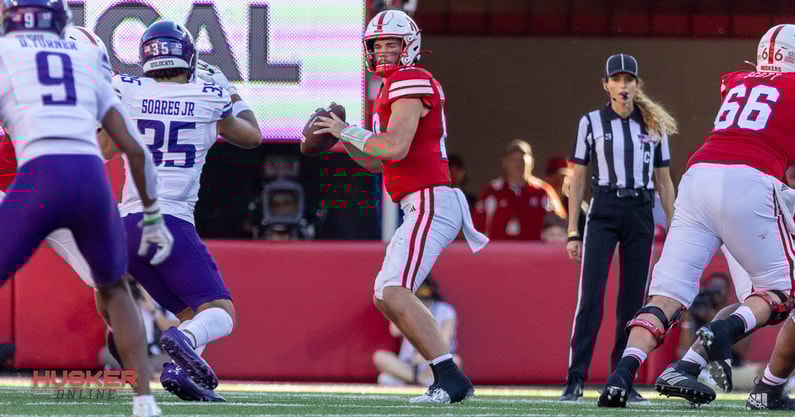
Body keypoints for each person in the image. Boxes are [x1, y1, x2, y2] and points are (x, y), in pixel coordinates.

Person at [599, 26, 795, 408]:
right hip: (749, 182)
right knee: (783, 292)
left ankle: (621, 378)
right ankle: (719, 337)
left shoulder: (737, 81)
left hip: (697, 176)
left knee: (668, 293)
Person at [0, 1, 174, 416]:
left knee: (112, 286)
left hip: (34, 180)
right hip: (84, 182)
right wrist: (152, 216)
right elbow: (132, 147)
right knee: (113, 286)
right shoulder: (84, 60)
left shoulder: (10, 55)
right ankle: (145, 401)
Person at [313, 9, 489, 404]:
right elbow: (379, 160)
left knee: (393, 290)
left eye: (392, 44)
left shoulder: (410, 79)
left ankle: (450, 378)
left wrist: (346, 130)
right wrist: (342, 141)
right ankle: (447, 375)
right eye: (377, 45)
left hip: (429, 199)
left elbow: (395, 146)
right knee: (384, 293)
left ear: (409, 46)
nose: (384, 52)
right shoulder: (390, 88)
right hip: (419, 202)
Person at [97, 21, 261, 402]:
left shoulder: (127, 89)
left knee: (193, 312)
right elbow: (251, 136)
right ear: (188, 56)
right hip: (169, 221)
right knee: (221, 314)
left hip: (126, 225)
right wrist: (232, 91)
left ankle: (180, 371)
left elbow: (104, 150)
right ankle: (181, 339)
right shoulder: (209, 93)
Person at [561, 53, 677, 403]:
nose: (623, 86)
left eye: (629, 80)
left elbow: (664, 181)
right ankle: (575, 378)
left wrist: (676, 229)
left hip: (640, 210)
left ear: (637, 84)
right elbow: (578, 179)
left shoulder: (653, 124)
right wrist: (572, 231)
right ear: (606, 84)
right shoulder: (591, 122)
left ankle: (621, 378)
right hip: (605, 207)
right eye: (617, 79)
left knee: (632, 302)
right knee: (591, 297)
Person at [373, 277, 461, 387]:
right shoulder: (406, 309)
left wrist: (426, 356)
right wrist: (402, 310)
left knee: (455, 361)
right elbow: (394, 331)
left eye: (425, 299)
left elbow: (445, 344)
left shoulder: (445, 311)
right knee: (380, 357)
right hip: (408, 365)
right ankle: (420, 380)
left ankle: (418, 380)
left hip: (432, 363)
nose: (423, 303)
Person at [473, 140, 565, 241]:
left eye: (522, 159)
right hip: (499, 254)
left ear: (531, 162)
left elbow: (559, 227)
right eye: (513, 160)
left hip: (533, 253)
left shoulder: (543, 191)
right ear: (505, 162)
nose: (518, 164)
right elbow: (476, 228)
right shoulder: (491, 192)